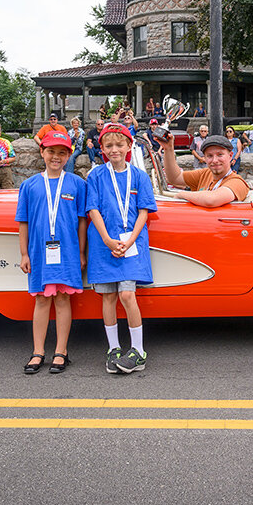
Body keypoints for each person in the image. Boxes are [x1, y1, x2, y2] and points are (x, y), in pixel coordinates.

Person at [87, 123, 158, 374]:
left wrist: (129, 241)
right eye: (109, 145)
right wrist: (107, 239)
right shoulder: (95, 175)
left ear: (129, 146)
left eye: (119, 144)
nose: (114, 149)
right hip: (103, 243)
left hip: (132, 243)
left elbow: (144, 211)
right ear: (102, 148)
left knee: (127, 295)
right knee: (107, 297)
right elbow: (92, 209)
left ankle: (138, 351)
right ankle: (113, 348)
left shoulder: (139, 175)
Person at [16, 130, 88, 374]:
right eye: (51, 151)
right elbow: (23, 222)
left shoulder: (77, 184)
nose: (55, 157)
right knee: (41, 298)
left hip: (67, 252)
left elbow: (81, 222)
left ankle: (61, 351)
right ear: (42, 152)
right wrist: (24, 253)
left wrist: (81, 253)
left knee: (63, 298)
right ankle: (38, 351)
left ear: (68, 156)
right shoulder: (29, 185)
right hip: (38, 252)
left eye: (61, 152)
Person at [157, 133, 250, 205]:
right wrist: (168, 149)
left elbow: (212, 200)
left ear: (230, 156)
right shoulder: (205, 173)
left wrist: (182, 194)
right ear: (204, 158)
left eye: (220, 155)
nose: (215, 160)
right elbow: (174, 178)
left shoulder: (237, 182)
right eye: (209, 156)